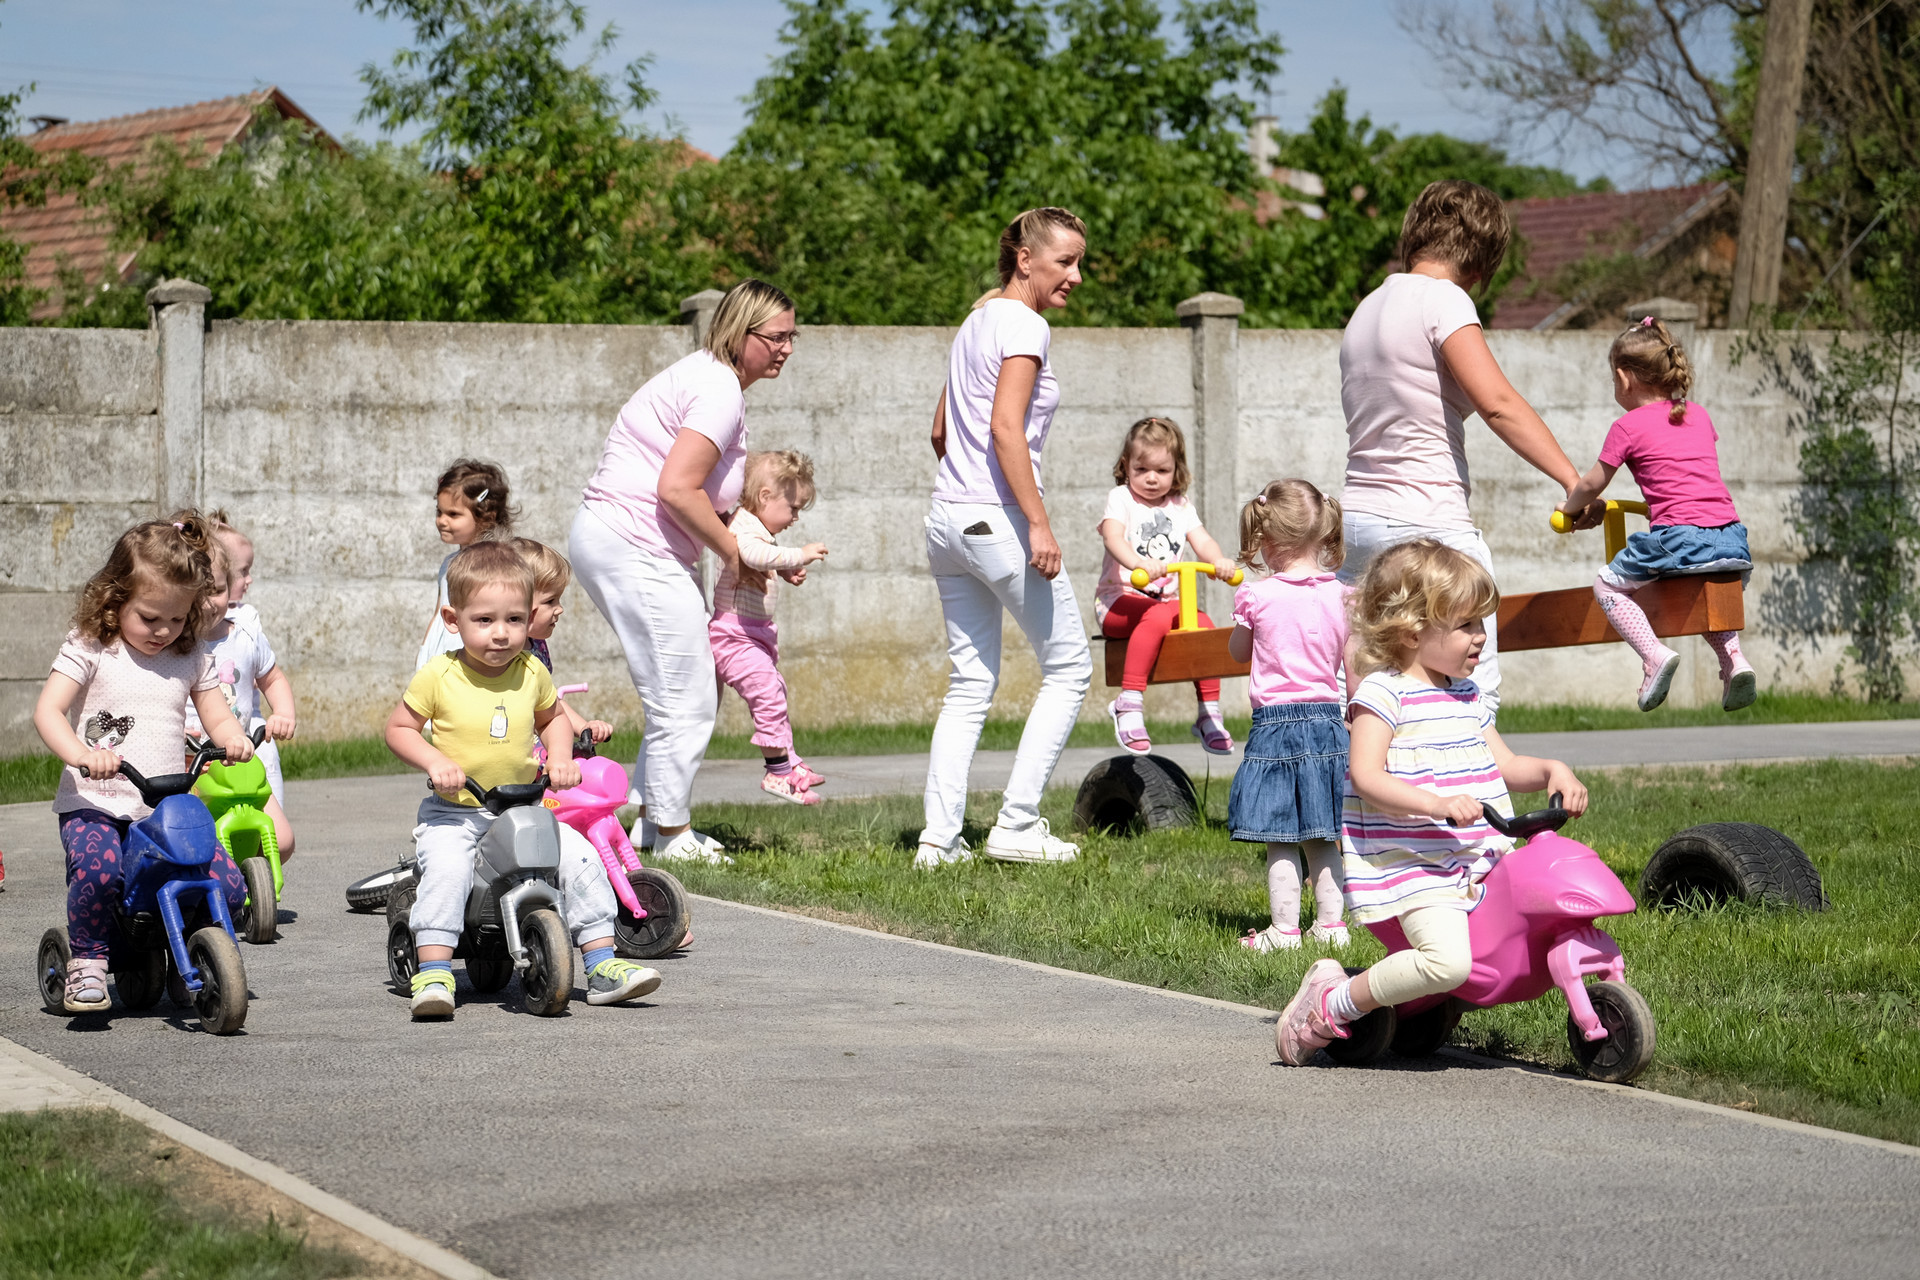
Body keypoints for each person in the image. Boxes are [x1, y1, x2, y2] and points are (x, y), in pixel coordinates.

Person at [1273, 540, 1588, 1065]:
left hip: (1473, 857)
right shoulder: (1383, 695)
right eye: (1466, 624)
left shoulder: (1466, 696)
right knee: (1446, 963)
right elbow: (1365, 775)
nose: (1481, 636)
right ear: (1413, 631)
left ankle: (1422, 1006)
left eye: (1481, 622)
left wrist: (1554, 769)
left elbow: (1506, 765)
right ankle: (1332, 1002)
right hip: (1413, 865)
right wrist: (1436, 803)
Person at [1337, 179, 1601, 713]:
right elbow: (1498, 403)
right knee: (1469, 698)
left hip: (1358, 529)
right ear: (1480, 265)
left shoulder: (1366, 308)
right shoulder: (1444, 299)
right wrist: (1574, 482)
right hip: (1427, 524)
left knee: (1372, 701)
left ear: (1414, 235)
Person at [571, 278, 797, 864]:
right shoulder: (718, 389)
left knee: (680, 690)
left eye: (791, 337)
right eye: (776, 337)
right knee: (686, 695)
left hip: (634, 543)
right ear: (740, 331)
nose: (786, 348)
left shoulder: (712, 381)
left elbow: (704, 498)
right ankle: (673, 834)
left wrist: (758, 548)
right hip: (634, 543)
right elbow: (676, 489)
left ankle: (651, 825)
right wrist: (735, 554)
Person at [384, 542, 660, 1019]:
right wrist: (434, 761)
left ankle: (601, 964)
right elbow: (399, 729)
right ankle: (433, 971)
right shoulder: (439, 675)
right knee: (447, 869)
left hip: (522, 807)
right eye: (484, 620)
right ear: (453, 620)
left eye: (514, 619)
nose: (501, 633)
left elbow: (553, 719)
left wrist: (560, 758)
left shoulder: (531, 671)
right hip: (457, 812)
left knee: (579, 857)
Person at [919, 207, 1095, 869]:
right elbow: (1005, 427)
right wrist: (1037, 523)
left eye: (1079, 262)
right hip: (997, 521)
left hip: (947, 519)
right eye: (1064, 261)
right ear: (1025, 259)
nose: (1075, 276)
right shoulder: (1025, 324)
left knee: (970, 682)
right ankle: (1017, 824)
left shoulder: (976, 320)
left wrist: (972, 490)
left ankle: (938, 841)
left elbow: (941, 432)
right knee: (1070, 668)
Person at [31, 514, 256, 1014]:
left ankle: (194, 955)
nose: (163, 631)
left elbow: (216, 713)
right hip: (96, 801)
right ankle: (89, 960)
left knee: (226, 882)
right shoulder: (91, 647)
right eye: (150, 617)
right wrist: (82, 755)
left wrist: (232, 738)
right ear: (115, 599)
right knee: (99, 871)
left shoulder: (189, 654)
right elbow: (48, 711)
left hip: (163, 809)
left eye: (176, 619)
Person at [1558, 317, 1757, 712]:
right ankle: (1734, 659)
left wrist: (1569, 507)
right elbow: (1688, 478)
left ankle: (1653, 655)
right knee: (1701, 598)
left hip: (1680, 537)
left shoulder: (1627, 426)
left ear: (1624, 377)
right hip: (1733, 539)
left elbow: (1592, 484)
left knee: (1608, 586)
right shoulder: (1698, 415)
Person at [1225, 480, 1352, 953]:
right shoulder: (1344, 596)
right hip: (1328, 722)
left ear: (1267, 540)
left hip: (1276, 726)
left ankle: (1284, 931)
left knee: (1279, 834)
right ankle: (1332, 926)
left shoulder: (1258, 596)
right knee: (1323, 832)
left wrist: (1245, 626)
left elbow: (1239, 652)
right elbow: (1354, 667)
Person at [1095, 416, 1237, 756]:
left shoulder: (1181, 506)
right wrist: (1138, 563)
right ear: (1126, 465)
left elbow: (1203, 541)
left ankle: (1208, 712)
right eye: (1141, 469)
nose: (1151, 478)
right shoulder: (1121, 498)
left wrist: (1218, 560)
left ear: (1177, 469)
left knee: (1203, 624)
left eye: (1162, 470)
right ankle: (1128, 702)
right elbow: (1113, 537)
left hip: (1165, 606)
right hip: (1118, 601)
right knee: (1159, 615)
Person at [709, 450, 830, 805]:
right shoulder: (744, 524)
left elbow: (763, 558)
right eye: (793, 508)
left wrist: (785, 570)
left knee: (775, 690)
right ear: (765, 496)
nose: (795, 517)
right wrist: (798, 555)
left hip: (752, 634)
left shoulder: (757, 528)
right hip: (733, 636)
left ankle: (789, 762)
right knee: (767, 692)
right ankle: (777, 772)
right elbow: (752, 555)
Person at [186, 511, 299, 860]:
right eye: (200, 594)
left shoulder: (245, 635)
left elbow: (272, 677)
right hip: (190, 762)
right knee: (200, 842)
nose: (211, 603)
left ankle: (256, 880)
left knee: (280, 841)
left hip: (243, 754)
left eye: (219, 591)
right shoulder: (174, 646)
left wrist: (283, 712)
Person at [416, 459, 516, 672]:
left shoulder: (497, 566)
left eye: (453, 514)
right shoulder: (448, 564)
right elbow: (438, 614)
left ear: (486, 516)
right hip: (439, 656)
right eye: (439, 512)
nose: (442, 521)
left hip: (472, 660)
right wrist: (424, 654)